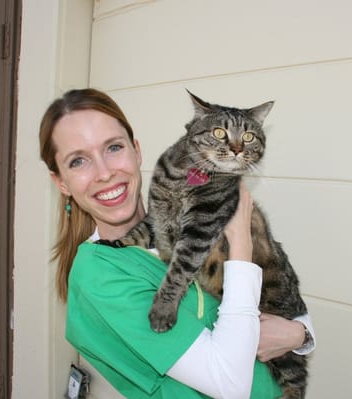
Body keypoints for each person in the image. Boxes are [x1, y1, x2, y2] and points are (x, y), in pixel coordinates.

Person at [39, 88, 315, 399]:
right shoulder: (100, 275)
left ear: (137, 150)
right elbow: (231, 385)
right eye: (78, 161)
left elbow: (286, 303)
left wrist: (300, 334)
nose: (105, 173)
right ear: (61, 181)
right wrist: (240, 243)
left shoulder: (177, 216)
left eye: (113, 147)